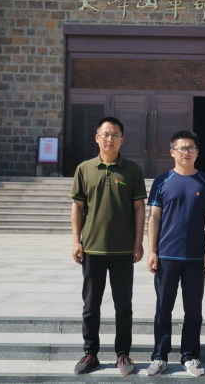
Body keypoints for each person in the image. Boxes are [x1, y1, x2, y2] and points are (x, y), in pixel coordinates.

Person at [70, 116, 146, 376]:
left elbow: (139, 207)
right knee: (91, 305)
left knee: (123, 306)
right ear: (97, 138)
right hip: (92, 248)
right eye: (105, 134)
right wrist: (76, 241)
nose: (110, 139)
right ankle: (90, 352)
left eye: (115, 135)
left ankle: (123, 354)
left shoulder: (132, 170)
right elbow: (77, 207)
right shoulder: (84, 169)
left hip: (123, 249)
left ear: (122, 140)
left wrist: (138, 241)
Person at [146, 130, 205, 378]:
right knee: (162, 309)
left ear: (197, 152)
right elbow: (154, 217)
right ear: (172, 152)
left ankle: (190, 356)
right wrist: (152, 250)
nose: (186, 152)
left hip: (195, 257)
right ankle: (159, 357)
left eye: (191, 148)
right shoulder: (162, 181)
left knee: (193, 311)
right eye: (182, 148)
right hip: (166, 256)